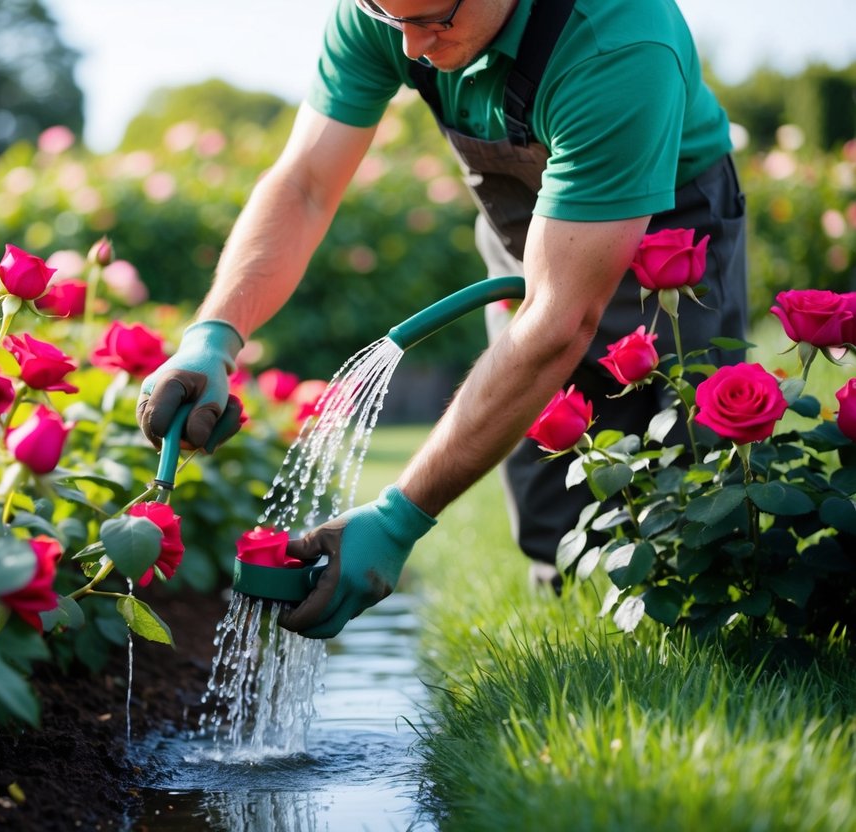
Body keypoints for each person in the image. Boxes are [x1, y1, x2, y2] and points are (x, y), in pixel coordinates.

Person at [138, 0, 748, 639]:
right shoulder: (393, 12)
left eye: (432, 21)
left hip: (674, 235)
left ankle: (706, 648)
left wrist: (400, 517)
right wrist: (214, 337)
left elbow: (560, 320)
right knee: (546, 492)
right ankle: (586, 650)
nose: (407, 47)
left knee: (686, 474)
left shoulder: (618, 42)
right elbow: (305, 185)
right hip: (527, 229)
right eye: (389, 19)